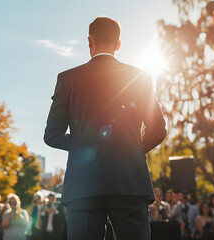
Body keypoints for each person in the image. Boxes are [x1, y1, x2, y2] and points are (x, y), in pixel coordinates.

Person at [43, 16, 166, 240]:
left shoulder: (67, 79)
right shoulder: (140, 77)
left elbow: (52, 135)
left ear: (89, 41)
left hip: (83, 187)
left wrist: (85, 146)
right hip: (130, 183)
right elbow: (158, 129)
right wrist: (131, 150)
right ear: (118, 44)